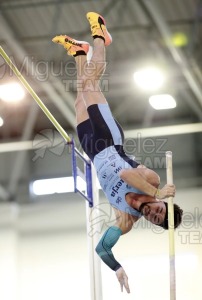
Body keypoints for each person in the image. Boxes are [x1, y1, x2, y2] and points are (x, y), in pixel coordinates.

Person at [52, 12, 183, 294]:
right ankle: (100, 36)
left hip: (93, 151)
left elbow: (102, 247)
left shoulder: (125, 221)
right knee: (91, 85)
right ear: (163, 205)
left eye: (156, 219)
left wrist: (117, 266)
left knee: (79, 98)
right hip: (110, 140)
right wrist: (157, 193)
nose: (153, 213)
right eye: (160, 211)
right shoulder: (153, 181)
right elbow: (125, 173)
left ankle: (79, 52)